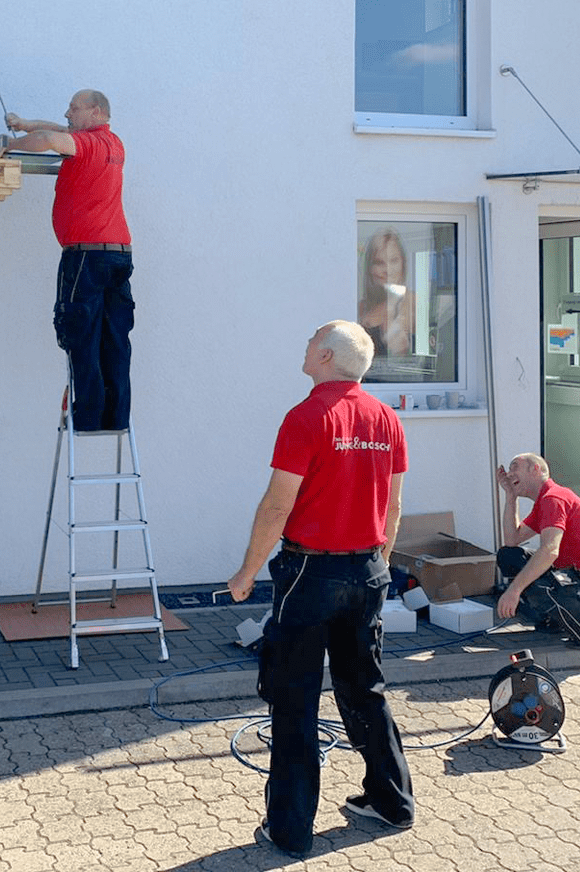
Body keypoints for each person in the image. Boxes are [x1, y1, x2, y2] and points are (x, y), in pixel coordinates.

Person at [227, 320, 414, 858]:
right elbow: (394, 505)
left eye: (312, 339)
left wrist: (246, 572)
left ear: (327, 356)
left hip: (311, 575)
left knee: (294, 699)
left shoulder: (307, 416)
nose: (305, 344)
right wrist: (379, 561)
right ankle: (392, 801)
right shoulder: (386, 418)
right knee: (365, 690)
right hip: (368, 571)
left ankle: (289, 831)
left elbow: (277, 505)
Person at [2, 92, 132, 431]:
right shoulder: (112, 143)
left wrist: (11, 143)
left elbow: (48, 139)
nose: (67, 112)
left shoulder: (85, 145)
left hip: (86, 257)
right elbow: (56, 130)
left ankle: (87, 418)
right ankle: (115, 417)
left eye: (74, 108)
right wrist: (28, 123)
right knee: (114, 339)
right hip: (117, 255)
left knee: (80, 334)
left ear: (95, 111)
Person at [496, 453, 580, 648]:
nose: (509, 474)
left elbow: (550, 551)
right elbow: (512, 540)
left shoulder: (554, 498)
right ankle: (558, 620)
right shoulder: (545, 501)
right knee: (509, 556)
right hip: (575, 577)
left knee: (541, 585)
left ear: (535, 469)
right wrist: (510, 497)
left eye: (514, 467)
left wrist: (514, 590)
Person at [358, 228, 415, 358]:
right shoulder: (361, 309)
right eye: (379, 263)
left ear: (403, 263)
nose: (388, 270)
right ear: (370, 268)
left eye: (394, 261)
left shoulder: (418, 304)